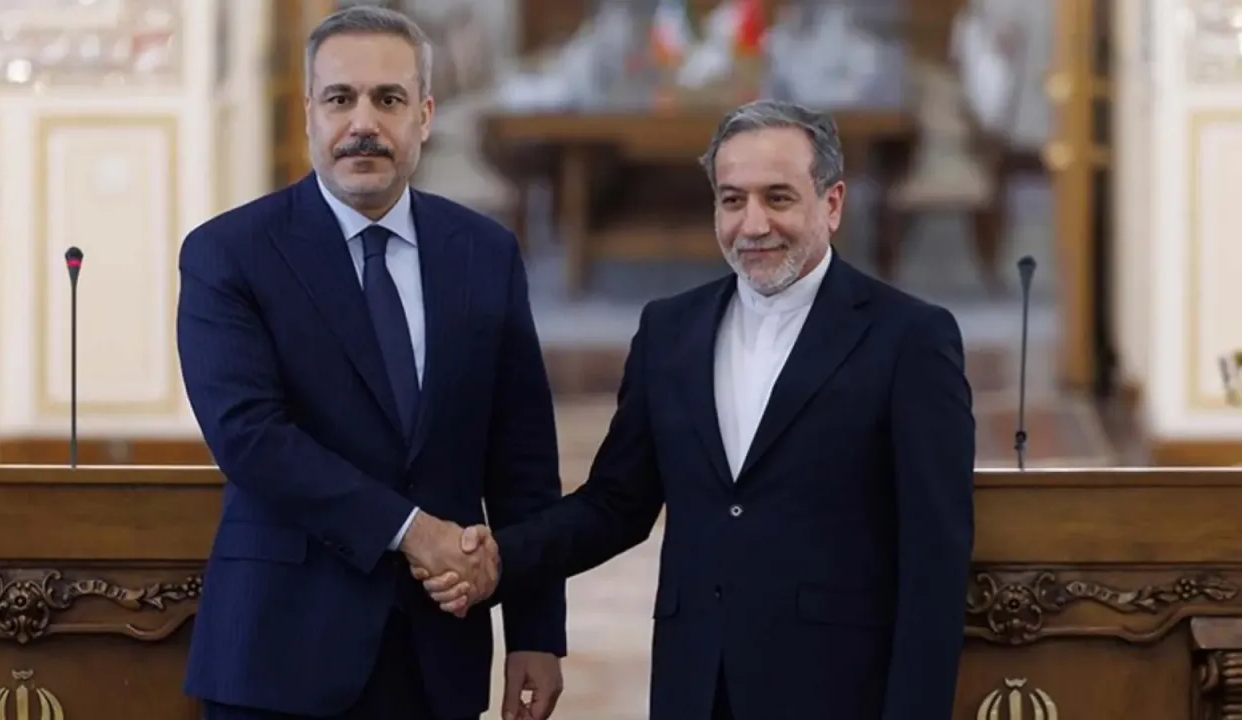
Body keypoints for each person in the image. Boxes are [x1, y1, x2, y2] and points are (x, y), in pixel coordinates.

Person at [418, 100, 976, 720]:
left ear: (832, 203)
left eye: (779, 198)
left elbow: (934, 562)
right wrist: (500, 558)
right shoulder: (668, 331)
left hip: (839, 692)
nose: (753, 224)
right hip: (695, 688)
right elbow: (616, 504)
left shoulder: (909, 339)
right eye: (733, 200)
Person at [176, 6, 564, 720]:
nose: (363, 123)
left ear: (424, 115)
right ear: (309, 113)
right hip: (278, 656)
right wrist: (414, 530)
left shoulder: (484, 254)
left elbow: (523, 460)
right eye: (340, 98)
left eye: (388, 99)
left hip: (435, 658)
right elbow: (250, 438)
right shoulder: (229, 254)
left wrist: (536, 633)